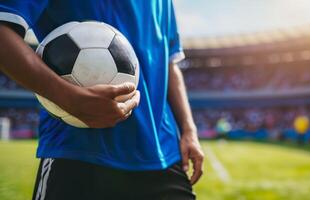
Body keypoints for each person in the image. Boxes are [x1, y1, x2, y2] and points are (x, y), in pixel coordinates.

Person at [0, 1, 204, 199]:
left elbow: (169, 63)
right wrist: (68, 97)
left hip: (164, 155)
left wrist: (189, 130)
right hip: (79, 153)